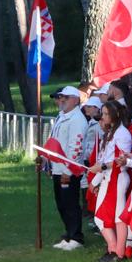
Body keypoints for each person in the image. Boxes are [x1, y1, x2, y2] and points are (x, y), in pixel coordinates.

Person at [88, 99, 132, 262]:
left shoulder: (122, 133)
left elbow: (120, 160)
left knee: (115, 217)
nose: (103, 117)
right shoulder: (111, 132)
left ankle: (117, 251)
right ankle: (114, 249)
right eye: (103, 113)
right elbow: (106, 160)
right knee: (106, 217)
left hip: (117, 177)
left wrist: (100, 170)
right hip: (109, 178)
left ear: (115, 115)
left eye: (107, 114)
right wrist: (96, 179)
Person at [46, 86, 90, 251]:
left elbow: (76, 147)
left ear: (74, 99)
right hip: (59, 166)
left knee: (70, 203)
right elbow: (55, 141)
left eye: (65, 97)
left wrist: (68, 171)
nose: (61, 100)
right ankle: (69, 233)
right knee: (61, 203)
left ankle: (76, 237)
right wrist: (48, 161)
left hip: (68, 169)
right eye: (61, 97)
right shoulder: (62, 116)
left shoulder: (77, 119)